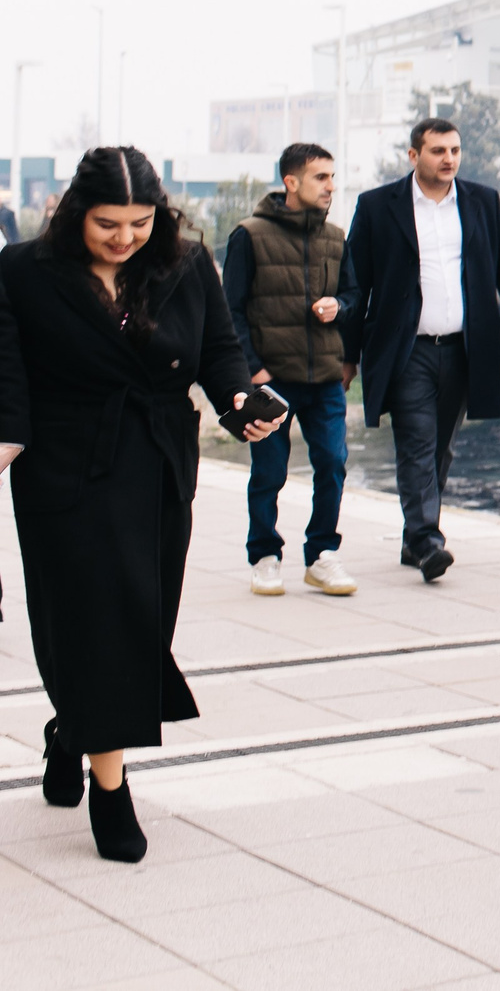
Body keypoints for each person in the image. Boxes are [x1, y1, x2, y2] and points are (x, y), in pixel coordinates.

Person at [0, 147, 277, 862]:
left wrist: (241, 401)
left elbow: (220, 352)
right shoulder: (22, 271)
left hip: (157, 463)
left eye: (140, 222)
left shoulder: (185, 264)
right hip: (64, 468)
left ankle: (73, 732)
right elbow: (7, 377)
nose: (125, 238)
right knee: (93, 622)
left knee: (141, 619)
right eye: (107, 224)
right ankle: (112, 791)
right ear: (73, 214)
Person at [337, 117, 500, 582]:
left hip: (464, 349)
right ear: (414, 156)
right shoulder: (376, 206)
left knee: (440, 448)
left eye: (454, 150)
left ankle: (415, 537)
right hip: (406, 351)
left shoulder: (481, 202)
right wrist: (348, 355)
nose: (448, 158)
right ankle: (429, 539)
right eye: (437, 151)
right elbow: (356, 282)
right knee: (416, 442)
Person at [222, 142, 356, 597]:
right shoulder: (249, 234)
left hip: (324, 379)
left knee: (333, 464)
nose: (331, 187)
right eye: (321, 177)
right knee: (269, 472)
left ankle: (321, 554)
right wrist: (252, 370)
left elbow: (356, 299)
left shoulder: (336, 238)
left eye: (333, 178)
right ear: (291, 181)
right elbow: (230, 311)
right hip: (271, 381)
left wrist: (337, 305)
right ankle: (264, 555)